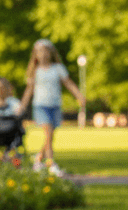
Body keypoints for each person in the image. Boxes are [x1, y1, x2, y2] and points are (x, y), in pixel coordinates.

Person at [20, 39, 84, 175]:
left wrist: (79, 96)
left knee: (50, 136)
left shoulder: (58, 69)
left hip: (55, 105)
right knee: (48, 132)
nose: (43, 54)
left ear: (51, 53)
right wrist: (22, 106)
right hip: (40, 106)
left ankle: (38, 160)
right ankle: (51, 164)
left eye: (45, 51)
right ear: (35, 54)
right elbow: (29, 90)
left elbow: (68, 83)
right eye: (40, 52)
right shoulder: (35, 71)